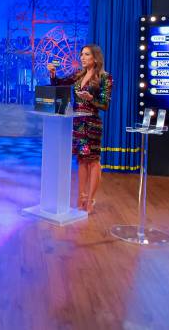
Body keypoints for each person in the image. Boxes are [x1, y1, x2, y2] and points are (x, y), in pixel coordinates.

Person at [48, 45, 113, 214]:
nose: (82, 57)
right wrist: (53, 73)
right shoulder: (78, 75)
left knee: (93, 161)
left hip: (92, 124)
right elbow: (59, 83)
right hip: (78, 124)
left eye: (86, 54)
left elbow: (105, 105)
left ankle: (90, 200)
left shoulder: (105, 77)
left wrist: (91, 98)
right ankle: (81, 198)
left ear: (95, 58)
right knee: (82, 160)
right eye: (81, 54)